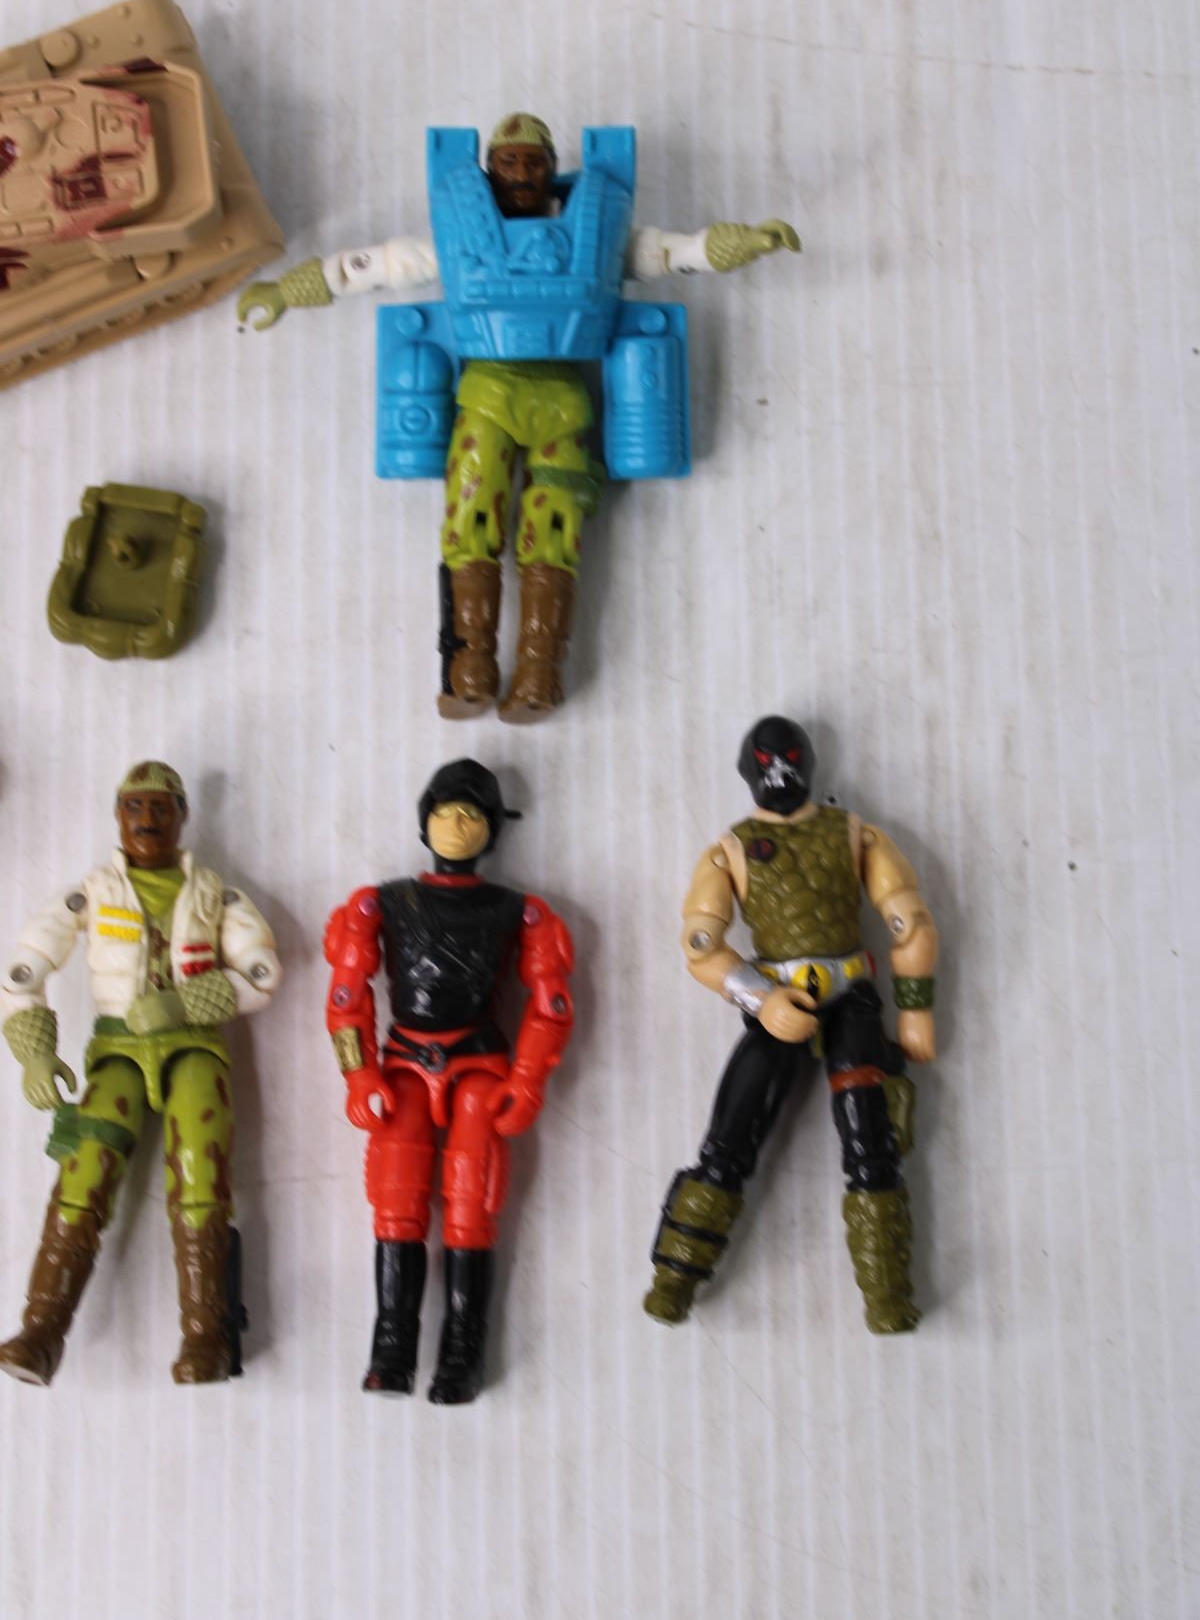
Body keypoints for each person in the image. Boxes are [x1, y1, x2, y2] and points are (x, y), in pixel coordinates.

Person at [240, 113, 799, 720]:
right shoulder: (457, 241)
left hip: (562, 404)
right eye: (509, 162)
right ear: (489, 171)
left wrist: (742, 244)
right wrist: (285, 292)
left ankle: (541, 669)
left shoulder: (595, 239)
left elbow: (673, 252)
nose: (523, 173)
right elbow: (371, 267)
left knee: (554, 532)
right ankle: (470, 664)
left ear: (552, 170)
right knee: (470, 519)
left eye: (535, 162)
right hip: (486, 399)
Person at [644, 716, 939, 1334]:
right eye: (767, 765)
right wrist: (761, 999)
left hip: (852, 1001)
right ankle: (674, 1279)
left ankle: (888, 1296)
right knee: (727, 1141)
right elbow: (701, 946)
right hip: (779, 1008)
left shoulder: (854, 833)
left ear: (808, 764)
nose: (779, 774)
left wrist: (914, 1011)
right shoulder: (731, 849)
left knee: (871, 1145)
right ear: (748, 774)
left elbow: (909, 922)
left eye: (788, 761)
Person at [0, 761, 282, 1384]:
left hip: (194, 1047)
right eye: (135, 807)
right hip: (118, 1051)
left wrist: (185, 1005)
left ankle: (205, 1337)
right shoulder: (95, 891)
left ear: (183, 816)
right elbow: (24, 968)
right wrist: (35, 1050)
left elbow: (262, 972)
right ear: (117, 816)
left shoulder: (214, 893)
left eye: (160, 807)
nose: (147, 819)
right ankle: (42, 1329)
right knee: (84, 1171)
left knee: (201, 1172)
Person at [324, 759, 574, 1402]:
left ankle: (463, 1353)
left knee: (471, 1208)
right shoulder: (380, 903)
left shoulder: (521, 912)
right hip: (405, 1066)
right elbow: (347, 996)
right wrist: (359, 1074)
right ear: (424, 822)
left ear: (492, 830)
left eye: (472, 815)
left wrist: (528, 1079)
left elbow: (550, 1003)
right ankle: (392, 1348)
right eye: (445, 812)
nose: (457, 825)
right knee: (396, 1204)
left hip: (480, 1069)